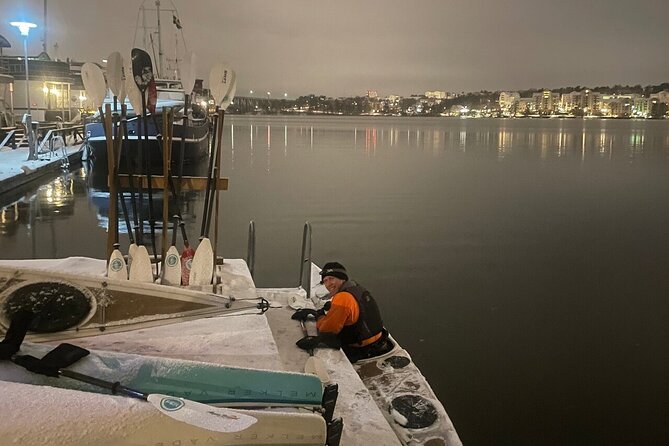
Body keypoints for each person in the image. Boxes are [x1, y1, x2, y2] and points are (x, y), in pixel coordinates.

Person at [293, 262, 393, 362]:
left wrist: (319, 316)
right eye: (325, 281)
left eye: (331, 279)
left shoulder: (342, 298)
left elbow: (327, 329)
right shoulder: (357, 288)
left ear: (342, 278)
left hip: (362, 350)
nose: (328, 284)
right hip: (380, 342)